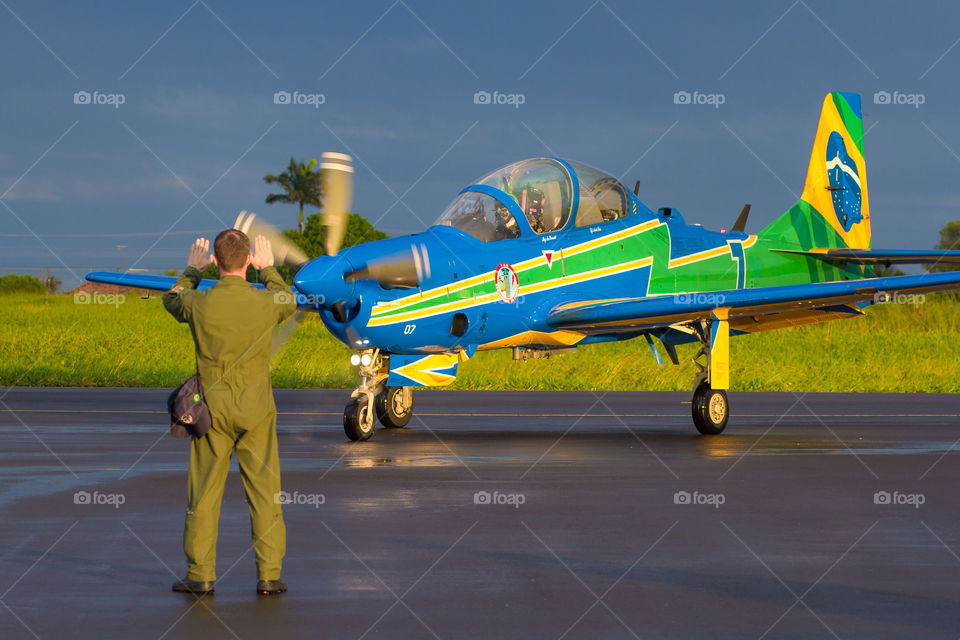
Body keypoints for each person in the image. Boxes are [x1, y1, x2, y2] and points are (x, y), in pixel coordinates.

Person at [162, 230, 297, 596]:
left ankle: (200, 574)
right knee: (266, 492)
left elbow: (171, 299)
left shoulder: (197, 303)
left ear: (216, 262)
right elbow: (289, 301)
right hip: (256, 410)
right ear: (249, 260)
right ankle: (269, 575)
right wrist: (269, 271)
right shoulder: (267, 302)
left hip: (211, 412)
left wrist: (192, 269)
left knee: (204, 494)